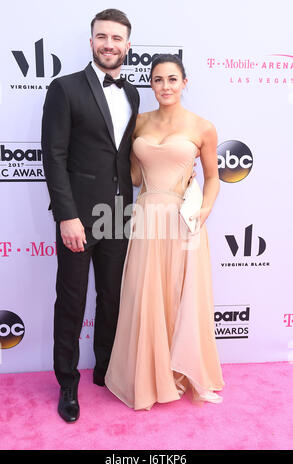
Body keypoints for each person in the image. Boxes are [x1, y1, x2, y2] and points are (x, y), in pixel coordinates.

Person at [105, 54, 225, 410]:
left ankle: (183, 371)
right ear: (151, 84)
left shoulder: (202, 127)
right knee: (147, 294)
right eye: (158, 80)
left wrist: (204, 208)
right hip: (146, 218)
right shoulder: (138, 123)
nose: (165, 86)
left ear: (184, 83)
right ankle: (148, 376)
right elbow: (136, 178)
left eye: (172, 79)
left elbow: (214, 178)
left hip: (183, 220)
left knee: (181, 294)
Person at [41, 9, 140, 422]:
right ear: (91, 41)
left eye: (117, 38)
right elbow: (54, 155)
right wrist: (67, 216)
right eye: (102, 37)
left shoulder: (133, 93)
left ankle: (105, 370)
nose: (109, 45)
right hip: (79, 216)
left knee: (113, 299)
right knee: (72, 300)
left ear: (128, 45)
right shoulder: (64, 89)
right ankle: (67, 381)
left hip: (118, 213)